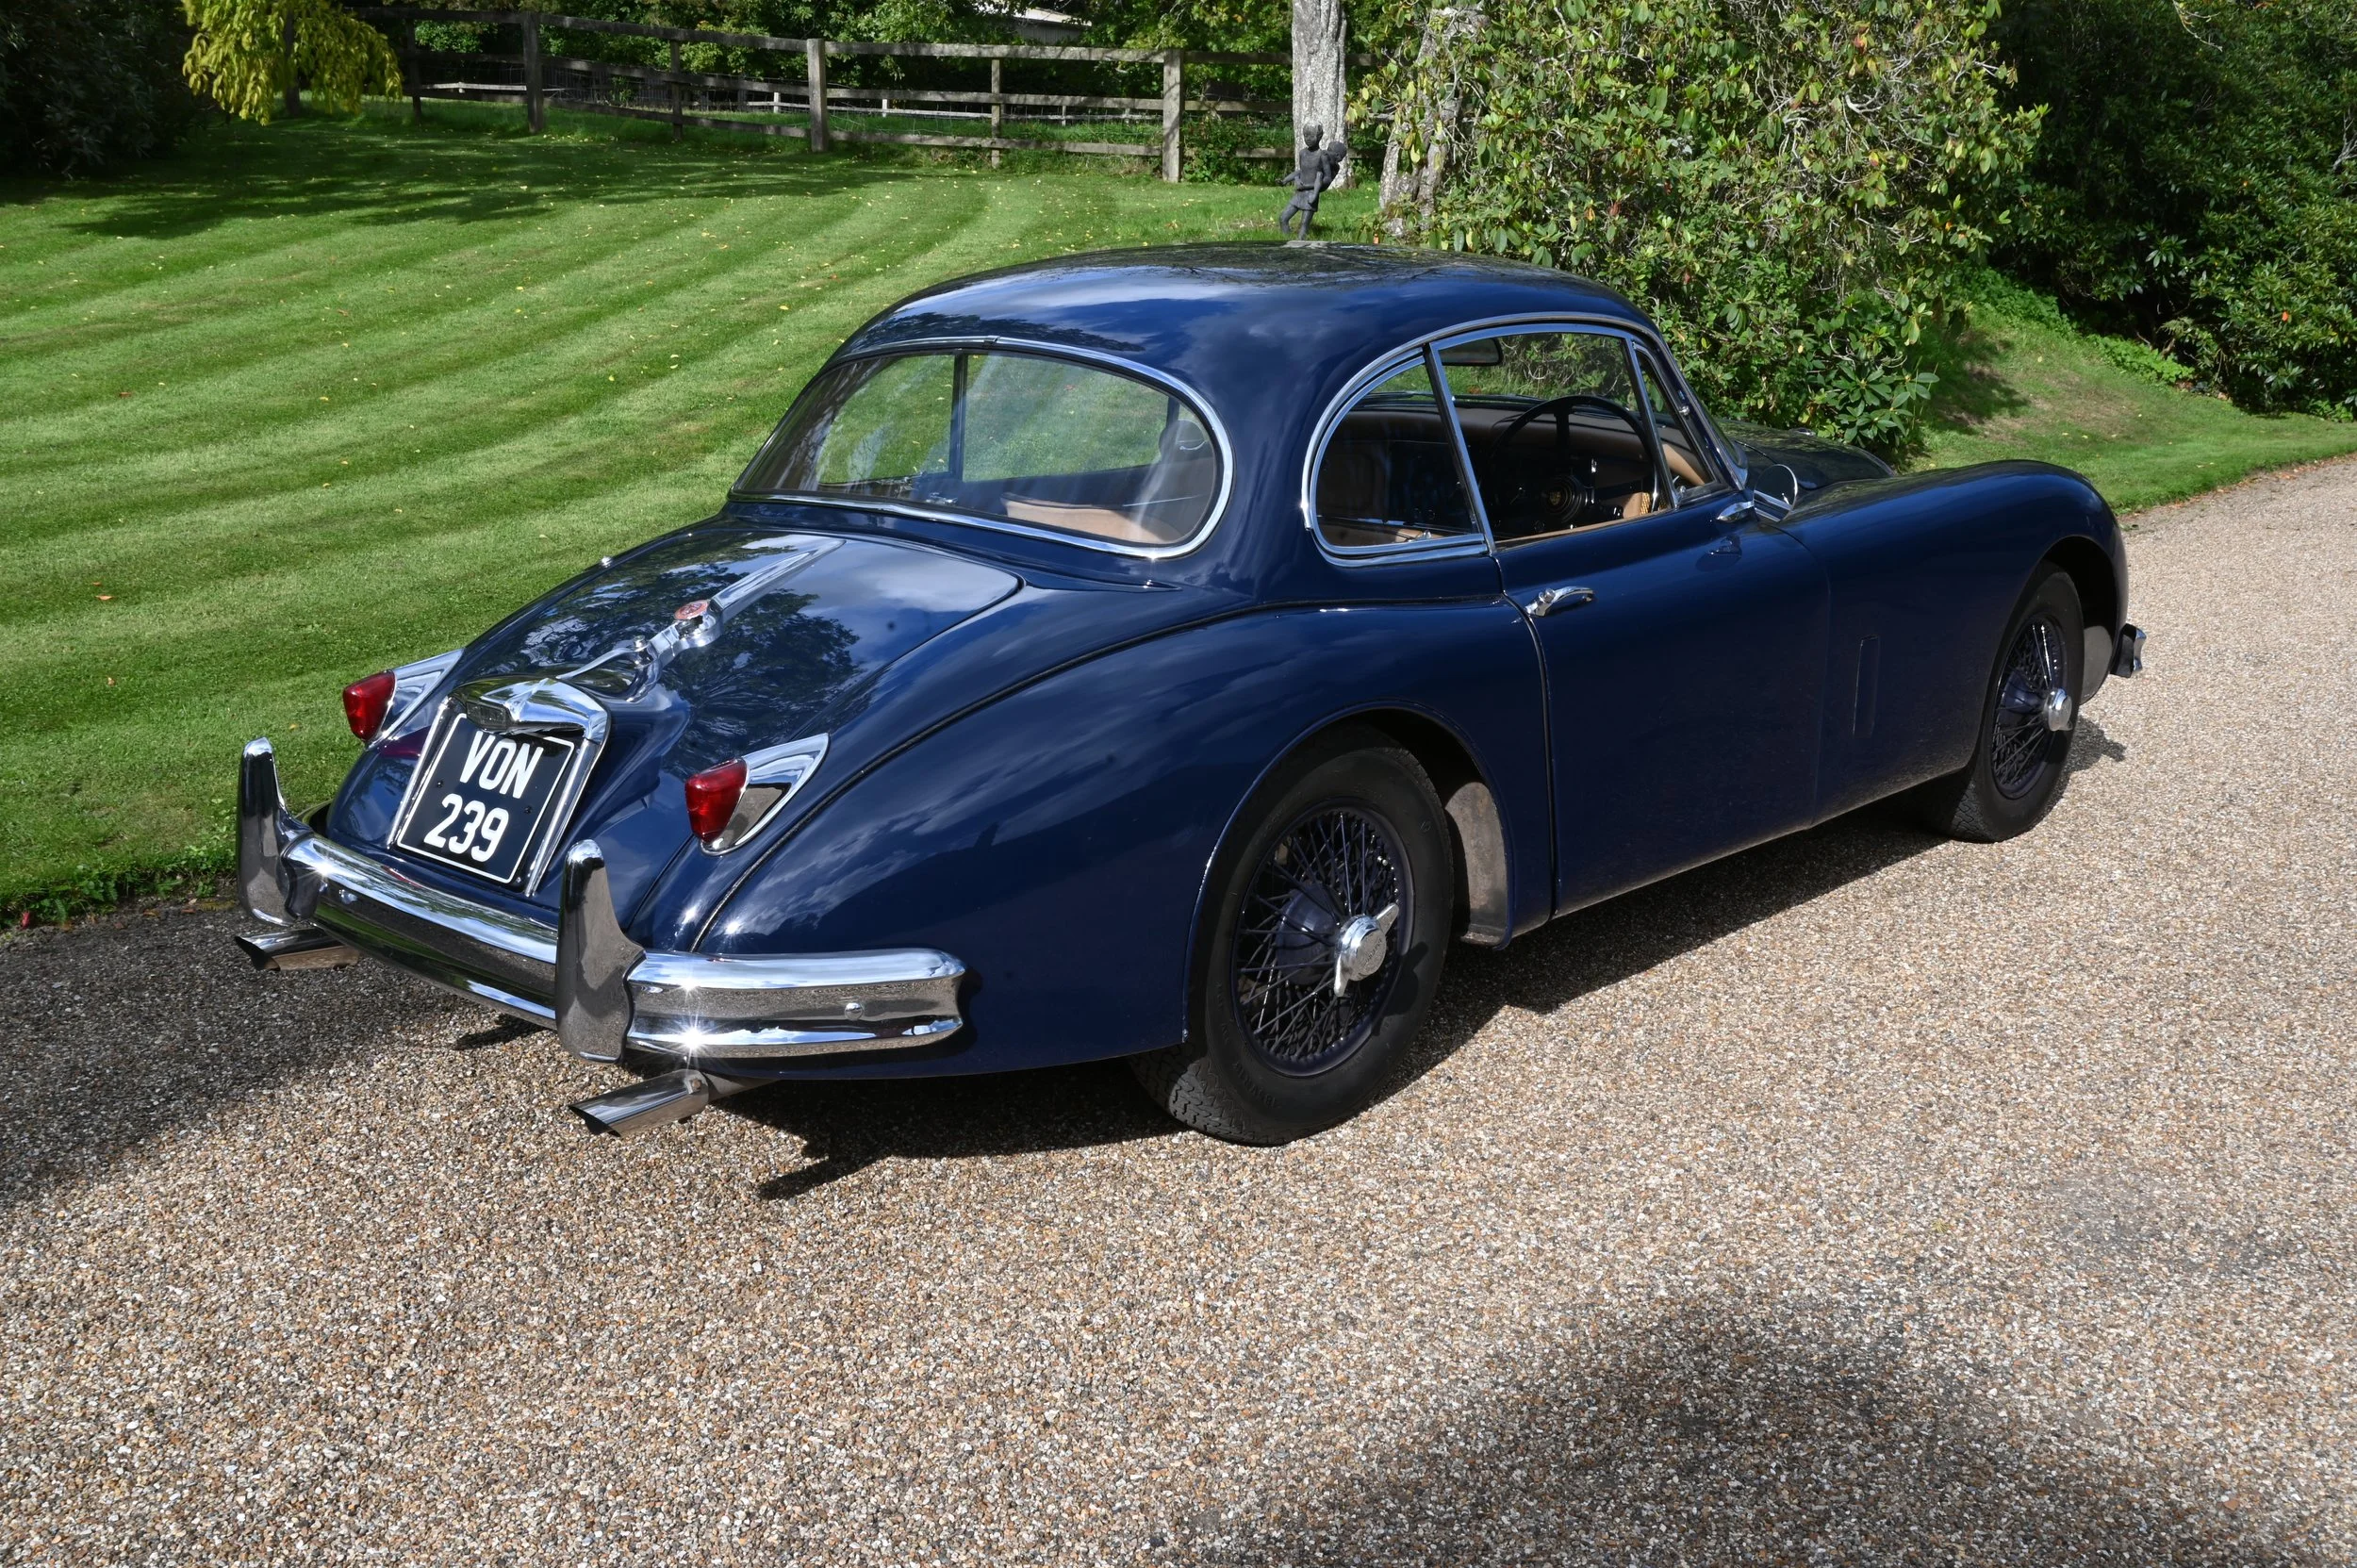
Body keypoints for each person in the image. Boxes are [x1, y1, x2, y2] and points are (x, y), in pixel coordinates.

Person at [1277, 124, 1347, 239]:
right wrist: (1285, 181)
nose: (1308, 139)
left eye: (1311, 136)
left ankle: (1302, 245)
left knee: (1303, 225)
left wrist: (1307, 187)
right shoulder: (1302, 153)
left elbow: (1327, 179)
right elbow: (1301, 172)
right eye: (1306, 135)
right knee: (1283, 219)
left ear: (1319, 137)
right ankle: (1287, 242)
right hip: (1299, 194)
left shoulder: (1322, 156)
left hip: (1311, 195)